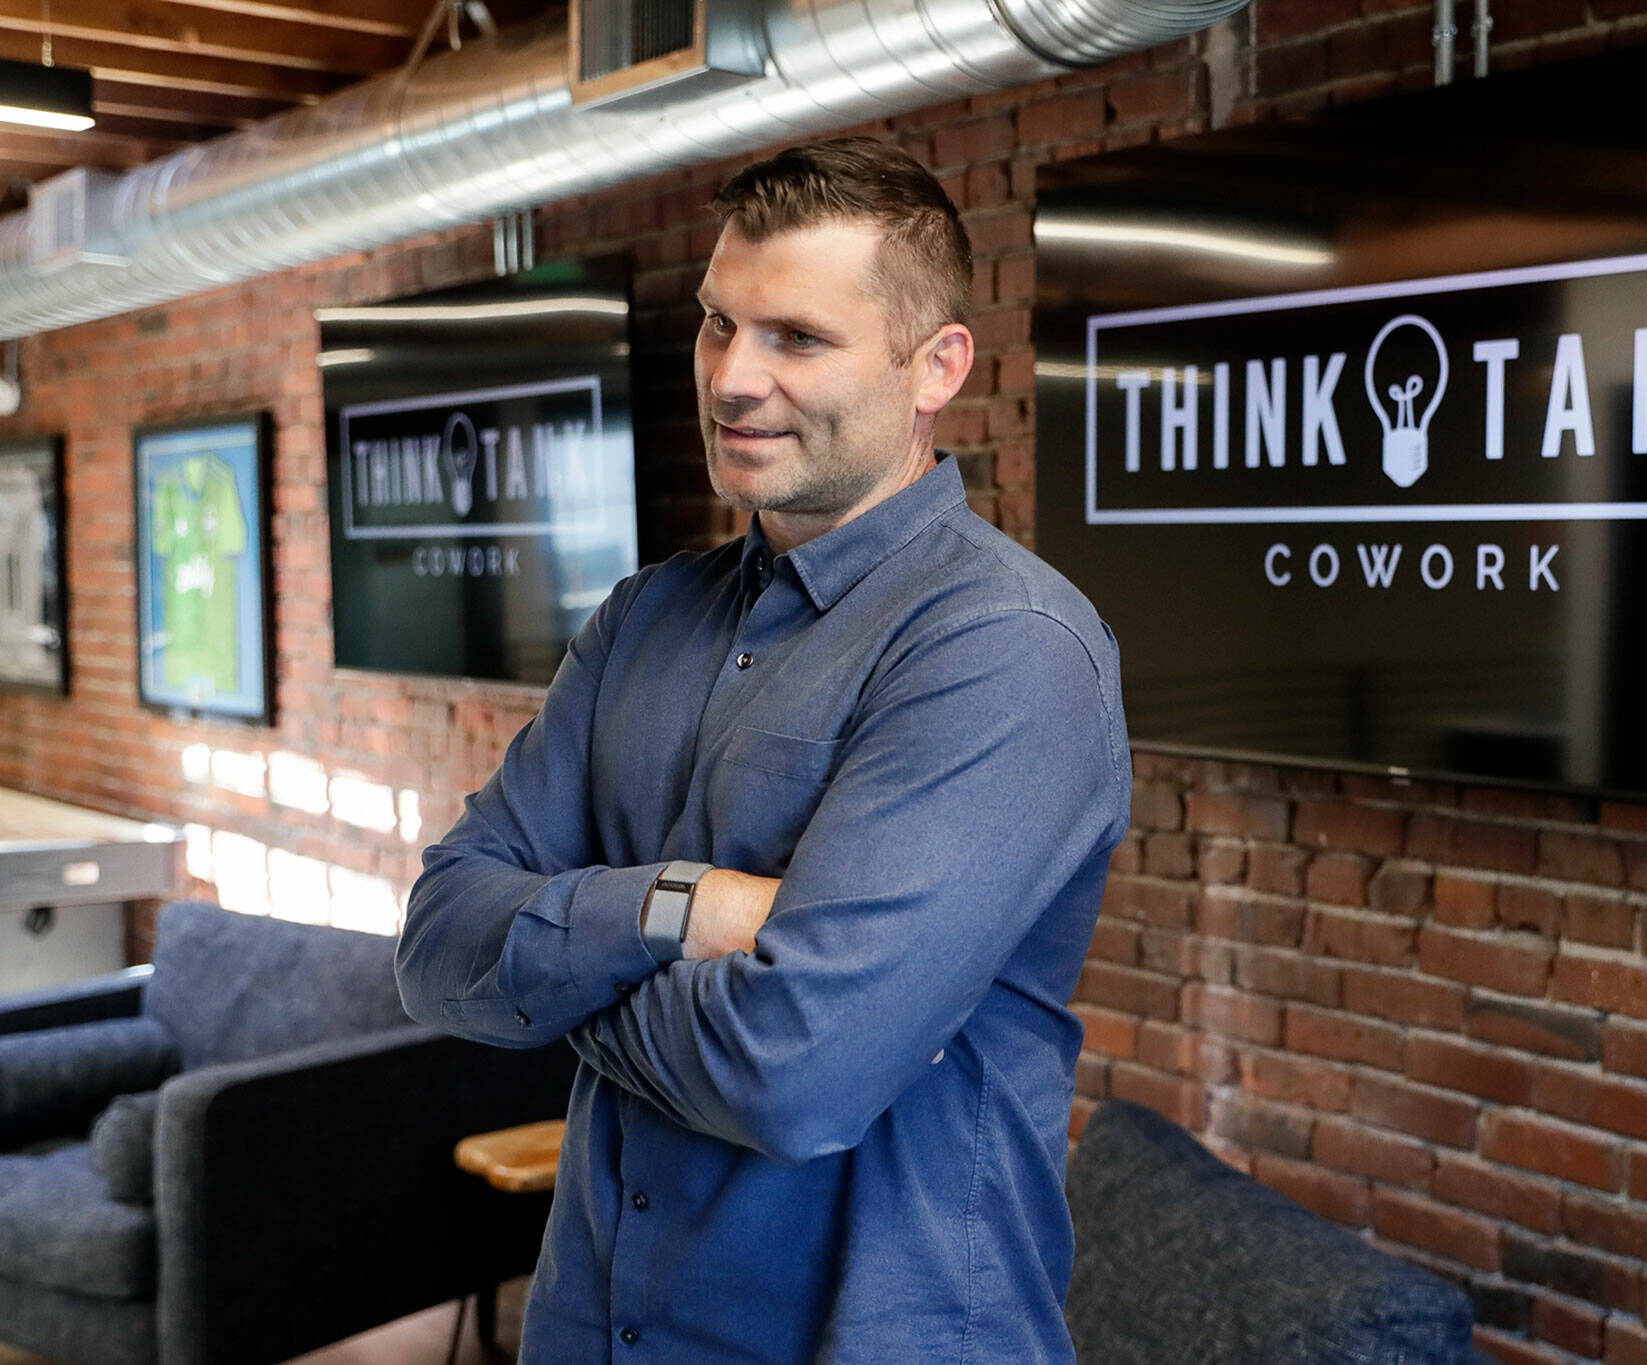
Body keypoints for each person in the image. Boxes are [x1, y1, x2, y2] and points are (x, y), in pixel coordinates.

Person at [395, 135, 1130, 1364]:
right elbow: (435, 946)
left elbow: (794, 1074)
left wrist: (560, 984)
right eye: (715, 325)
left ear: (936, 365)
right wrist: (677, 910)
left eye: (797, 337)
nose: (733, 377)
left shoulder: (1002, 648)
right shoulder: (645, 618)